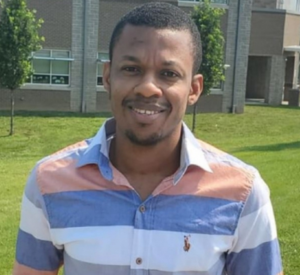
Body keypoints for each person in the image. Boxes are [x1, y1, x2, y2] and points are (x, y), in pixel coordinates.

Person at [13, 2, 283, 275]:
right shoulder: (49, 182)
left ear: (193, 89)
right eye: (131, 69)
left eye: (169, 74)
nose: (147, 88)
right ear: (107, 77)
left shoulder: (242, 194)